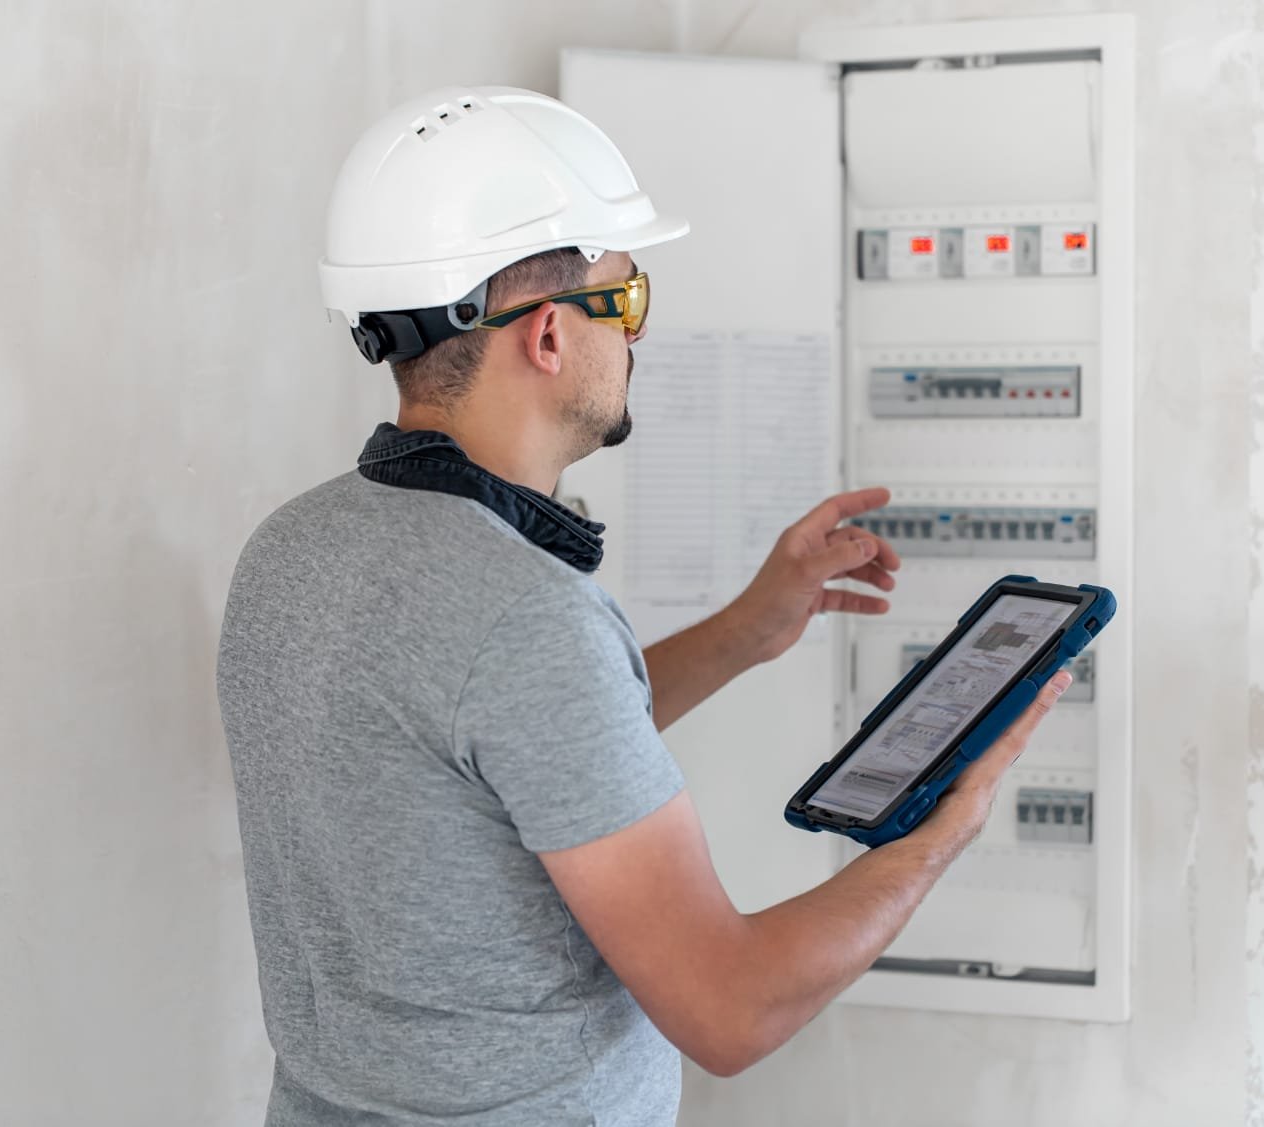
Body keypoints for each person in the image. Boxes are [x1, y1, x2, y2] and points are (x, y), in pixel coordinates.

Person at [216, 86, 1071, 1126]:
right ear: (546, 337)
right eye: (626, 299)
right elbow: (733, 1006)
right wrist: (943, 827)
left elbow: (499, 750)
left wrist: (746, 630)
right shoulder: (521, 615)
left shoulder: (291, 548)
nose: (639, 332)